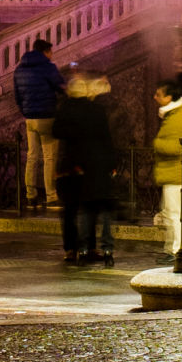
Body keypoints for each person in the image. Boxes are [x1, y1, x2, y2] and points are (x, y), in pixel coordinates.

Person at [52, 71, 120, 267]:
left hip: (70, 166)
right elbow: (105, 137)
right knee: (89, 206)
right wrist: (110, 163)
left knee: (72, 210)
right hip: (91, 165)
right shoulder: (95, 110)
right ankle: (89, 247)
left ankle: (72, 248)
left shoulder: (64, 108)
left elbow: (57, 131)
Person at [12, 34, 66, 207]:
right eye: (51, 52)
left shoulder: (20, 69)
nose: (52, 55)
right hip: (46, 116)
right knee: (49, 157)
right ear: (45, 51)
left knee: (32, 156)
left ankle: (31, 195)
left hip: (30, 118)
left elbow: (17, 95)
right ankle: (51, 195)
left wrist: (25, 111)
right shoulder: (47, 67)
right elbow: (60, 86)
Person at [153, 73, 182, 260]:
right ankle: (171, 248)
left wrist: (157, 144)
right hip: (171, 172)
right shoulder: (173, 115)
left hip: (174, 173)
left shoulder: (177, 117)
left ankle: (176, 249)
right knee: (170, 213)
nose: (155, 97)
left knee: (174, 214)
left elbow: (176, 147)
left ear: (169, 97)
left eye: (158, 94)